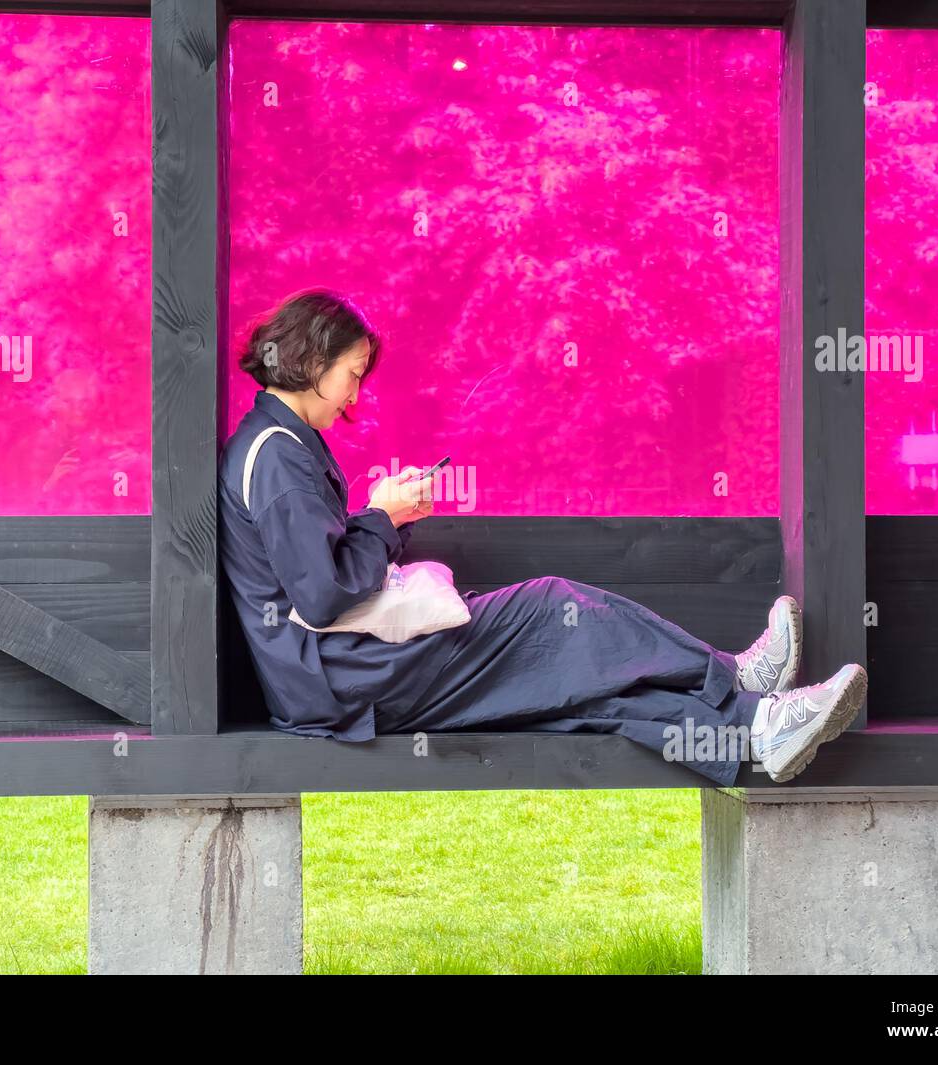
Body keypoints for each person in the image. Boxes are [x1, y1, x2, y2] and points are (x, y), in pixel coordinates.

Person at [218, 289, 868, 786]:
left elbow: (316, 573)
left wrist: (385, 518)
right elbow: (324, 591)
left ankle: (755, 731)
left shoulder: (278, 446)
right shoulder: (277, 455)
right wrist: (382, 517)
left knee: (577, 688)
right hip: (346, 675)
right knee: (548, 607)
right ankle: (730, 673)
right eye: (352, 373)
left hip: (336, 677)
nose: (356, 395)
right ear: (311, 359)